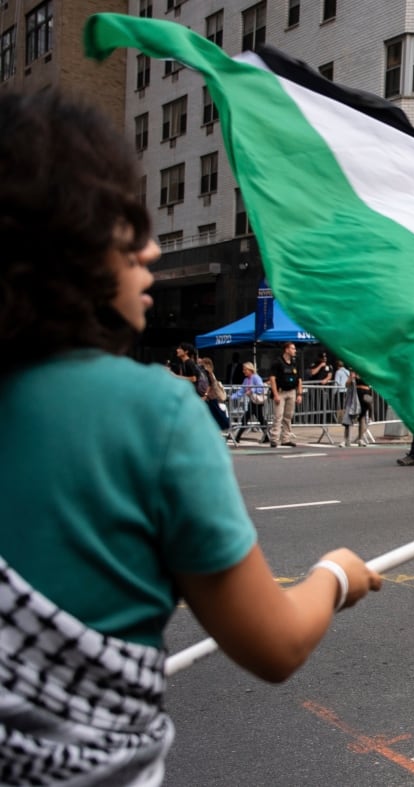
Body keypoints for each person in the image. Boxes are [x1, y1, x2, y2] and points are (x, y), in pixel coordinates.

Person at [0, 88, 381, 784]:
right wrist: (336, 576)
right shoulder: (154, 414)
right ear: (68, 237)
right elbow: (275, 644)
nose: (150, 247)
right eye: (127, 222)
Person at [268, 342, 303, 447]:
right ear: (286, 350)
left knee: (288, 416)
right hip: (280, 391)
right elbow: (272, 379)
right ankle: (274, 438)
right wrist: (275, 394)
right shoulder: (277, 362)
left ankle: (286, 438)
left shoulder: (294, 362)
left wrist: (299, 394)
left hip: (292, 391)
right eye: (293, 348)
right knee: (278, 415)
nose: (295, 351)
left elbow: (299, 379)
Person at [231, 360, 270, 443]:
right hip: (252, 401)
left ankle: (238, 437)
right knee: (259, 418)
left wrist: (252, 390)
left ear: (250, 369)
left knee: (247, 418)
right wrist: (231, 397)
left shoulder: (256, 377)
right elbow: (241, 391)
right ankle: (267, 435)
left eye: (245, 369)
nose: (243, 371)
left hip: (257, 401)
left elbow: (260, 388)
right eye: (243, 369)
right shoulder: (246, 380)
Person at [198, 356, 231, 432]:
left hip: (211, 397)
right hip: (210, 397)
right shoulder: (208, 373)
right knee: (214, 413)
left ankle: (225, 425)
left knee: (216, 413)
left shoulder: (208, 373)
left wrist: (206, 394)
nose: (199, 365)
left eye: (201, 363)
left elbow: (210, 384)